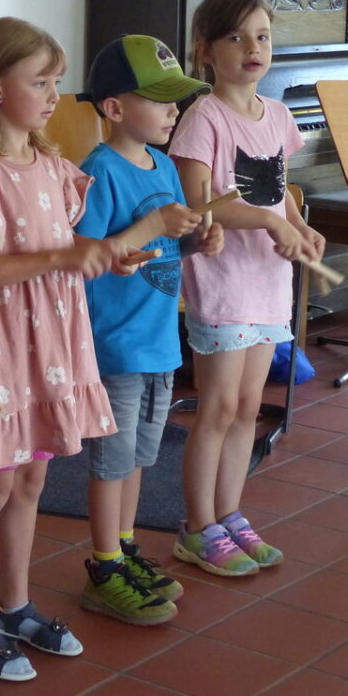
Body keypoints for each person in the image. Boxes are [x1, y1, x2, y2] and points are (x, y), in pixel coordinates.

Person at [0, 16, 122, 679]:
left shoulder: (50, 164)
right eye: (39, 81)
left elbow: (65, 250)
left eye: (57, 81)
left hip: (52, 336)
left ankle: (15, 603)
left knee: (35, 474)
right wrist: (64, 255)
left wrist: (99, 258)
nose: (54, 94)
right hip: (4, 342)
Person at [168, 0, 325, 577]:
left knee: (249, 409)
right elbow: (200, 201)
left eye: (262, 35)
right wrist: (264, 220)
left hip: (267, 280)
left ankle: (229, 513)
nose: (253, 48)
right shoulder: (202, 117)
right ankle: (196, 526)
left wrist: (300, 226)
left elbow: (277, 188)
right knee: (217, 407)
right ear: (206, 50)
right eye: (236, 37)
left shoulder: (277, 115)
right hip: (224, 281)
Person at [74, 34, 225, 623]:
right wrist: (157, 222)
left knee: (140, 457)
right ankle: (103, 563)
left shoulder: (161, 162)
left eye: (177, 99)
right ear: (114, 108)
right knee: (111, 462)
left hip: (160, 339)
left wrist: (193, 239)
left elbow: (164, 243)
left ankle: (127, 546)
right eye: (160, 100)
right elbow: (89, 253)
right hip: (117, 341)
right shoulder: (98, 171)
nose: (173, 111)